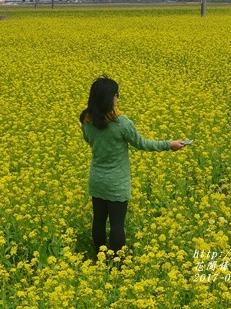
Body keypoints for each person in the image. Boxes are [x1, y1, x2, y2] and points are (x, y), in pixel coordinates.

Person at [78, 76, 186, 260]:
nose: (117, 98)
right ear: (110, 98)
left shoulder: (87, 121)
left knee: (98, 221)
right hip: (116, 183)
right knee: (117, 224)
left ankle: (100, 257)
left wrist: (83, 130)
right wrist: (169, 144)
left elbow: (90, 141)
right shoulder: (121, 123)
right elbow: (142, 143)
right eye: (116, 95)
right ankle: (117, 264)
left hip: (97, 180)